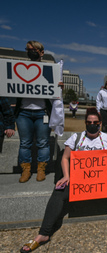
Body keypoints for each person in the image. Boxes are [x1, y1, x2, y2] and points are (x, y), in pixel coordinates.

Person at [19, 108, 107, 253]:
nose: (92, 124)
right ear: (85, 123)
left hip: (101, 180)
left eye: (95, 122)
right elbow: (65, 158)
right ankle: (44, 233)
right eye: (89, 122)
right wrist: (66, 176)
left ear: (100, 123)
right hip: (77, 180)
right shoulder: (76, 138)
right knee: (59, 191)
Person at [15, 40, 64, 183]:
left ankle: (41, 169)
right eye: (28, 49)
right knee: (25, 143)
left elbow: (56, 92)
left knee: (43, 142)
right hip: (23, 112)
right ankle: (26, 170)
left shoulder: (49, 70)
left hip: (42, 112)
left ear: (41, 52)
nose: (31, 52)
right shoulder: (19, 69)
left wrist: (59, 86)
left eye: (34, 49)